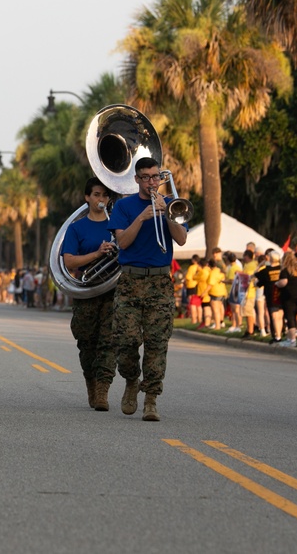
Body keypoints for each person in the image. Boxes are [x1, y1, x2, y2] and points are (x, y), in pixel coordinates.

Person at [108, 157, 188, 422]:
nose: (151, 182)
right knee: (126, 341)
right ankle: (132, 380)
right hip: (130, 281)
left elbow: (181, 238)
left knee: (157, 343)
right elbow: (123, 242)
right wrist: (142, 217)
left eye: (155, 177)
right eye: (145, 177)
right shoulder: (124, 206)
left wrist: (166, 213)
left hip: (160, 282)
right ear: (136, 179)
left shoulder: (171, 204)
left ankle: (151, 399)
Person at [61, 177, 118, 410]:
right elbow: (69, 260)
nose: (101, 199)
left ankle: (103, 391)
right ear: (87, 198)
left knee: (109, 341)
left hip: (112, 289)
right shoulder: (76, 228)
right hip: (86, 291)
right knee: (87, 342)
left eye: (105, 195)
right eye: (96, 195)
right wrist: (97, 254)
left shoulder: (117, 224)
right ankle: (91, 383)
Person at [276, 250, 297, 345]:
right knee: (295, 314)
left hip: (289, 296)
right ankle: (290, 338)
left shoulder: (285, 270)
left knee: (290, 317)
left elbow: (284, 282)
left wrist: (276, 284)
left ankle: (292, 340)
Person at [256, 249, 284, 342]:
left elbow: (255, 275)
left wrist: (261, 264)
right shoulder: (282, 268)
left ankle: (277, 336)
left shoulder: (266, 270)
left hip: (271, 295)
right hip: (282, 294)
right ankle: (279, 334)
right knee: (280, 315)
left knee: (274, 316)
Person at [185, 256, 202, 326]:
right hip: (198, 285)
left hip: (191, 285)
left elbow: (188, 277)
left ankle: (194, 319)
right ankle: (199, 319)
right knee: (198, 304)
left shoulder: (191, 267)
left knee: (192, 303)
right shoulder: (200, 267)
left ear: (193, 260)